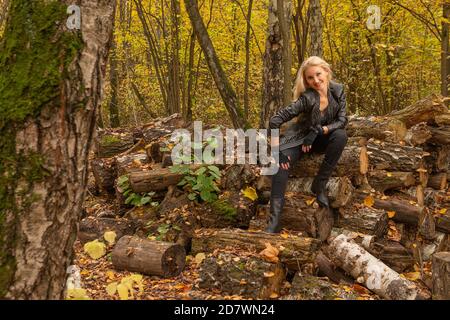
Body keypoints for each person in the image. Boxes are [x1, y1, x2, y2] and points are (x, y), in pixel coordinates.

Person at [266, 56, 348, 233]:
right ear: (306, 80)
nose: (315, 81)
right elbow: (274, 121)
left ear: (326, 71)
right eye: (310, 78)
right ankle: (274, 221)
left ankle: (319, 184)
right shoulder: (307, 98)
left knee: (341, 136)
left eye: (318, 74)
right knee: (280, 166)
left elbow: (342, 120)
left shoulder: (338, 90)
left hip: (320, 138)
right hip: (299, 138)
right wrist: (276, 153)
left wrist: (321, 131)